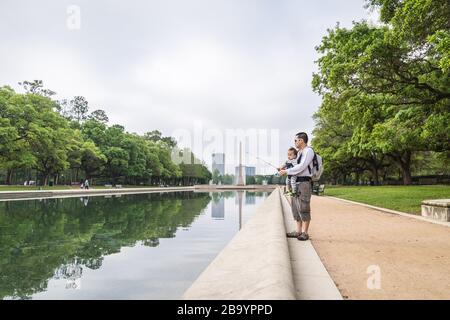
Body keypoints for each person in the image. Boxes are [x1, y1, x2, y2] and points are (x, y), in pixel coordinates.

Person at [279, 132, 314, 241]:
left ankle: (305, 232)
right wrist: (283, 167)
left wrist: (286, 171)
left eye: (295, 140)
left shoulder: (309, 151)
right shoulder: (298, 153)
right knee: (295, 207)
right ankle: (298, 231)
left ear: (301, 140)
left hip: (304, 183)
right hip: (295, 182)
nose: (294, 142)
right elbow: (292, 163)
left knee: (304, 207)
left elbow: (301, 166)